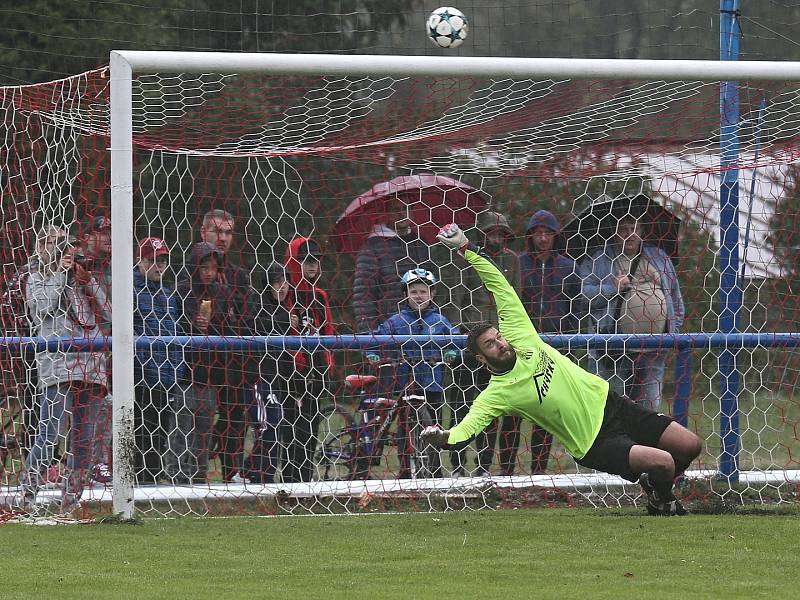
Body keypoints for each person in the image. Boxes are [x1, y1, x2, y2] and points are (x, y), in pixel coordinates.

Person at [421, 223, 701, 516]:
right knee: (663, 462)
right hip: (594, 441)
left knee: (689, 445)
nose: (501, 344)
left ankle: (656, 488)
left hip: (612, 405)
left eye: (498, 336)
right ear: (481, 359)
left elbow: (499, 285)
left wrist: (466, 249)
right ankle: (662, 501)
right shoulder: (498, 393)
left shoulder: (520, 335)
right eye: (490, 345)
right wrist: (444, 438)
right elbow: (465, 430)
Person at [20, 228, 110, 511]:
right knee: (50, 434)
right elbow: (41, 309)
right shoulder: (36, 278)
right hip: (58, 365)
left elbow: (109, 314)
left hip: (91, 365)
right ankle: (27, 495)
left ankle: (71, 501)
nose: (65, 252)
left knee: (84, 441)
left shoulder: (83, 279)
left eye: (68, 247)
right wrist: (60, 274)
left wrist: (89, 282)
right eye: (55, 245)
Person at [579, 215, 685, 413]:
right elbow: (581, 296)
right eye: (624, 229)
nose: (630, 235)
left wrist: (672, 332)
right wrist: (611, 287)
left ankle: (646, 444)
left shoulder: (659, 258)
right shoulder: (599, 259)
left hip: (654, 350)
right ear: (614, 232)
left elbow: (676, 298)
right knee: (613, 409)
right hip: (612, 349)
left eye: (634, 228)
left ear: (642, 230)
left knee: (651, 410)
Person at [366, 268, 459, 479]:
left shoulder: (439, 321)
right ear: (406, 294)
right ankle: (405, 469)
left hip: (432, 381)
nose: (419, 296)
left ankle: (434, 469)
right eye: (414, 291)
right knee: (404, 427)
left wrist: (452, 352)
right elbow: (375, 338)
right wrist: (373, 354)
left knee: (434, 425)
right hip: (405, 381)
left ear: (432, 294)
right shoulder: (396, 321)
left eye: (423, 291)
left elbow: (456, 339)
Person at [448, 211, 521, 477]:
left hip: (499, 342)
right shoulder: (465, 259)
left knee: (492, 407)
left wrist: (509, 336)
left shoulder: (512, 261)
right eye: (493, 232)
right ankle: (457, 465)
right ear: (483, 233)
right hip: (469, 340)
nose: (497, 238)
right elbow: (455, 298)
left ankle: (483, 466)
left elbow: (516, 298)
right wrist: (459, 337)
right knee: (461, 404)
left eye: (502, 233)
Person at [519, 209, 581, 474]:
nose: (542, 238)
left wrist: (570, 342)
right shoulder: (519, 264)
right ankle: (507, 468)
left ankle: (538, 469)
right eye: (537, 233)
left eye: (548, 233)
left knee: (546, 410)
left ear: (556, 236)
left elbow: (577, 307)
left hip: (556, 346)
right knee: (515, 408)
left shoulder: (569, 267)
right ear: (530, 236)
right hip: (523, 346)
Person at [199, 208, 257, 482]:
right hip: (201, 364)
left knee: (237, 419)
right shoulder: (192, 272)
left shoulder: (239, 276)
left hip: (234, 363)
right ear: (204, 232)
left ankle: (231, 473)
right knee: (198, 421)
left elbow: (247, 318)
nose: (222, 238)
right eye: (217, 231)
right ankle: (191, 477)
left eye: (227, 232)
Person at [171, 242, 235, 484]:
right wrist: (192, 326)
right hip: (186, 372)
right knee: (182, 427)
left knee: (204, 429)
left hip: (211, 374)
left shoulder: (222, 293)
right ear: (194, 267)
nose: (208, 272)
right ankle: (177, 477)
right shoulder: (181, 291)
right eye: (204, 267)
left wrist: (213, 324)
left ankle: (198, 478)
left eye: (213, 267)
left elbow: (230, 328)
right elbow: (173, 327)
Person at [133, 237, 185, 484]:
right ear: (140, 260)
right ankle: (142, 479)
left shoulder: (168, 294)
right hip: (140, 375)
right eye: (153, 260)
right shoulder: (129, 290)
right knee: (142, 430)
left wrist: (177, 369)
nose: (158, 266)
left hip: (166, 376)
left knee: (161, 431)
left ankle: (152, 478)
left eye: (163, 260)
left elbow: (173, 333)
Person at [283, 237, 335, 483]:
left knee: (311, 428)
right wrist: (297, 361)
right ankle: (289, 480)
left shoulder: (320, 296)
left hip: (316, 373)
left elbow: (329, 332)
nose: (311, 266)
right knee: (290, 429)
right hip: (290, 375)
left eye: (315, 260)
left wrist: (328, 363)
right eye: (305, 260)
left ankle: (304, 479)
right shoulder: (285, 294)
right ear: (294, 262)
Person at [243, 262, 296, 484]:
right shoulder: (257, 307)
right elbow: (255, 327)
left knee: (276, 427)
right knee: (268, 427)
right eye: (276, 282)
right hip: (258, 379)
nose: (282, 287)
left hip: (277, 380)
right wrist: (286, 322)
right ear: (267, 285)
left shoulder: (286, 311)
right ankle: (253, 476)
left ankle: (256, 475)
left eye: (285, 282)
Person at [351, 198, 434, 333]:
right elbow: (363, 295)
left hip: (424, 329)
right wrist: (370, 335)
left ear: (412, 213)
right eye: (396, 210)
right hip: (388, 331)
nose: (402, 213)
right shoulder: (372, 247)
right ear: (387, 213)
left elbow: (433, 286)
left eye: (405, 209)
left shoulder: (420, 244)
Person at [79, 215, 114, 485]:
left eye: (112, 233)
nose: (109, 238)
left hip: (106, 349)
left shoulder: (114, 269)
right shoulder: (70, 266)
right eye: (103, 233)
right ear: (87, 238)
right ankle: (68, 467)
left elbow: (112, 315)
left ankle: (98, 463)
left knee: (105, 407)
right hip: (72, 350)